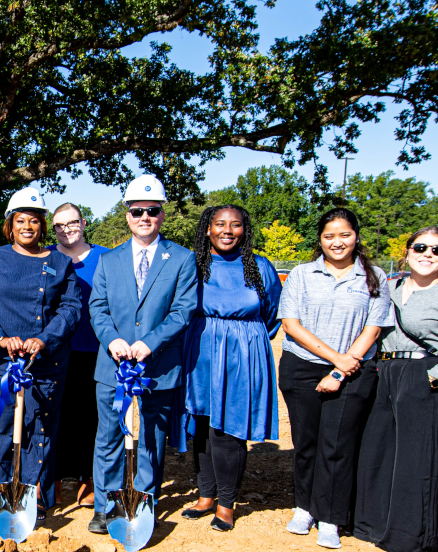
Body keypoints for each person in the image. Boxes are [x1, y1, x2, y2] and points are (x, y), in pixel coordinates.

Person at [353, 227, 438, 551]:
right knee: (378, 452)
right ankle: (371, 526)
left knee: (418, 460)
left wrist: (433, 379)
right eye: (421, 247)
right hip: (384, 370)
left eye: (437, 250)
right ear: (407, 251)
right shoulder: (387, 288)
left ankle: (412, 537)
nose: (428, 254)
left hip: (424, 373)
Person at [84, 175, 198, 535]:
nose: (144, 217)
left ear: (162, 215)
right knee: (109, 438)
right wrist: (112, 339)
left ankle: (143, 502)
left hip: (158, 367)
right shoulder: (108, 260)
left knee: (150, 439)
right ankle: (105, 506)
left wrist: (150, 342)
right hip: (112, 367)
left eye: (152, 210)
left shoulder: (181, 258)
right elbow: (97, 307)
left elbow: (183, 310)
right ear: (127, 215)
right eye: (137, 211)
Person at [277, 207, 393, 549]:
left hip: (353, 372)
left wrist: (341, 369)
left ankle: (330, 517)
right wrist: (334, 359)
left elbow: (373, 329)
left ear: (356, 236)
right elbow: (291, 324)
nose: (337, 242)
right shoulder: (301, 274)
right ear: (320, 240)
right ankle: (305, 507)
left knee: (338, 447)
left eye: (344, 234)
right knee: (306, 444)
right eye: (329, 236)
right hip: (303, 367)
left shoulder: (374, 277)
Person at [0, 188, 82, 521]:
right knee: (1, 424)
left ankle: (37, 495)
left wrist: (45, 339)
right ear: (10, 225)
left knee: (40, 427)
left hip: (45, 362)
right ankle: (1, 490)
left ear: (43, 225)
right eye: (21, 220)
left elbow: (72, 306)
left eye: (34, 220)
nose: (28, 226)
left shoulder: (61, 262)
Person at [179, 204, 283, 531]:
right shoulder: (194, 265)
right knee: (201, 423)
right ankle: (206, 495)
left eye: (235, 225)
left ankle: (226, 503)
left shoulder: (260, 267)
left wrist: (244, 341)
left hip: (242, 353)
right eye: (220, 224)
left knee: (229, 427)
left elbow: (272, 313)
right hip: (200, 350)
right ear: (207, 229)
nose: (227, 230)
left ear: (244, 230)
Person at [47, 202, 110, 507]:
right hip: (56, 350)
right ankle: (54, 477)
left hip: (95, 349)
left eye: (71, 223)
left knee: (91, 416)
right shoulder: (46, 256)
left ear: (84, 223)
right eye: (59, 225)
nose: (66, 230)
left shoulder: (107, 258)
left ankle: (89, 477)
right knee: (57, 414)